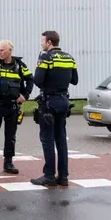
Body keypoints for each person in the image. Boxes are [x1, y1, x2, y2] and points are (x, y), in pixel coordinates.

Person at [30, 30, 79, 187]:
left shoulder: (46, 57)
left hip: (49, 102)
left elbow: (38, 80)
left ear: (49, 42)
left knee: (47, 139)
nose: (41, 43)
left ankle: (49, 175)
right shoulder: (69, 58)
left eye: (43, 41)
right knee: (61, 139)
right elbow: (75, 80)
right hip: (64, 101)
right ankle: (63, 176)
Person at [0, 40, 34, 176]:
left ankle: (8, 162)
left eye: (2, 50)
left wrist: (25, 95)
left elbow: (30, 79)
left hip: (12, 105)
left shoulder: (19, 65)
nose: (0, 53)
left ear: (10, 51)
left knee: (10, 136)